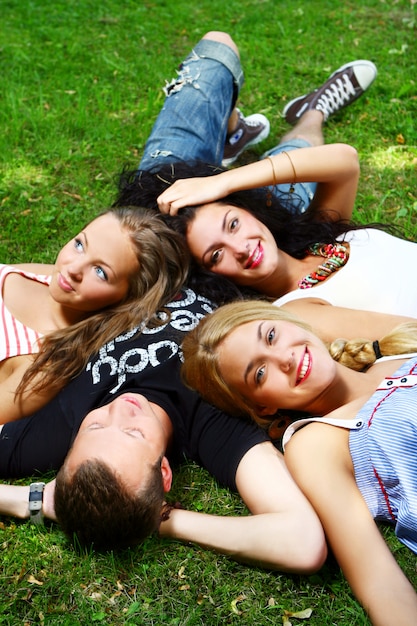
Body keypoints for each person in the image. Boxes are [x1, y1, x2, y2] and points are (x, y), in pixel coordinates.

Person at [112, 31, 416, 339]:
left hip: (179, 184)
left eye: (233, 225)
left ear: (247, 209)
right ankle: (312, 112)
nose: (241, 247)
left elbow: (344, 161)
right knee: (298, 150)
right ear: (210, 277)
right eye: (216, 255)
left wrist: (220, 182)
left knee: (217, 50)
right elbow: (345, 161)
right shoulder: (293, 311)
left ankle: (247, 129)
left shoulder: (310, 234)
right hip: (259, 209)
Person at [0, 287, 326, 574]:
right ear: (165, 472)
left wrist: (33, 500)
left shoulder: (60, 425)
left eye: (95, 426)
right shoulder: (211, 423)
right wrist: (165, 520)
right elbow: (303, 542)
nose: (120, 409)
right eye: (134, 434)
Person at [180, 300, 417, 625]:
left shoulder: (403, 349)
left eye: (272, 335)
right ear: (262, 408)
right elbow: (382, 585)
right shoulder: (317, 443)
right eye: (260, 373)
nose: (285, 358)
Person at [0, 207, 188, 423]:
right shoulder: (47, 276)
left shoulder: (45, 366)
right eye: (80, 244)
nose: (73, 268)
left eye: (101, 272)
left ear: (126, 300)